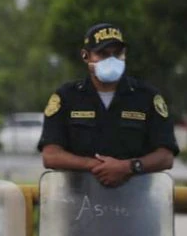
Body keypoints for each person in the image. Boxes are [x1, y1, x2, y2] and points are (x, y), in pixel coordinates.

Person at [38, 24, 178, 186]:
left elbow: (165, 157)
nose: (111, 60)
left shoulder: (146, 97)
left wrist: (128, 167)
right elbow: (51, 156)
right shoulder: (67, 97)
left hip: (136, 202)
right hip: (77, 202)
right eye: (102, 54)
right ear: (86, 56)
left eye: (117, 53)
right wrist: (97, 166)